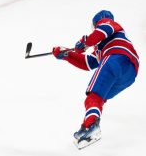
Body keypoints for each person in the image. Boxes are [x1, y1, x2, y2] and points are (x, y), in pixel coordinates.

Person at [52, 10, 139, 149]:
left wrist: (85, 41)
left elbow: (104, 29)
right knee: (98, 98)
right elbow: (89, 63)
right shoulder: (102, 46)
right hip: (130, 73)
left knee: (93, 96)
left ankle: (91, 126)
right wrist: (67, 54)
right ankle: (90, 123)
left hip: (116, 58)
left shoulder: (106, 23)